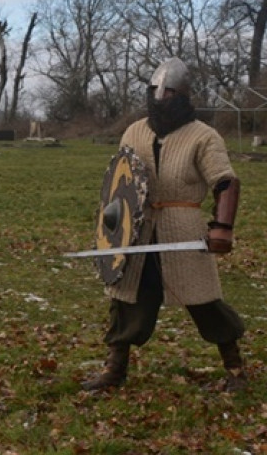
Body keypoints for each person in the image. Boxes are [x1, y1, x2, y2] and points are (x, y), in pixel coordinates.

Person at [81, 57, 247, 392]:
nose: (161, 97)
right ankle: (115, 369)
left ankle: (236, 370)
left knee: (205, 300)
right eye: (156, 91)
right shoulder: (134, 132)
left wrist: (222, 227)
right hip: (138, 230)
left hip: (183, 227)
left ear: (183, 95)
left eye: (169, 92)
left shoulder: (203, 136)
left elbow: (225, 182)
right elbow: (121, 182)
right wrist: (113, 227)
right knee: (125, 297)